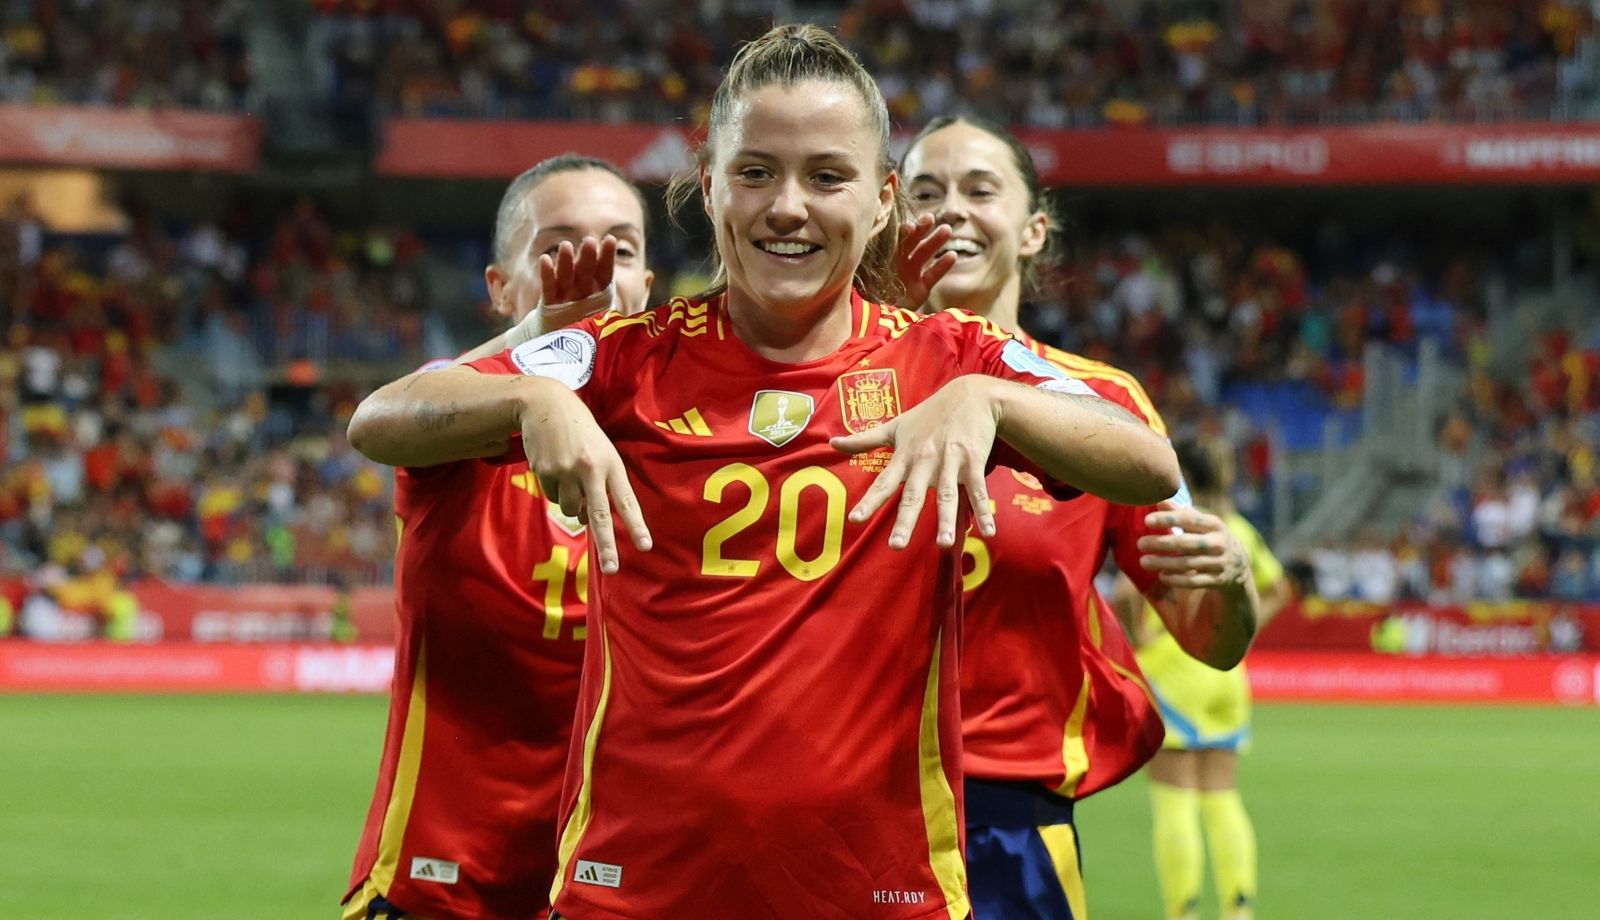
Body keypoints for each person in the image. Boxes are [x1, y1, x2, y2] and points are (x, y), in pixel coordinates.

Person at [347, 24, 1180, 919]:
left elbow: (1146, 461)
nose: (787, 206)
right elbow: (381, 419)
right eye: (755, 172)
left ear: (882, 202)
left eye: (827, 177)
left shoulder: (947, 356)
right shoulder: (627, 354)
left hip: (878, 897)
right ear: (708, 188)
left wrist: (991, 401)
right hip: (631, 894)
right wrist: (529, 398)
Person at [899, 116, 1262, 920]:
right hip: (843, 807)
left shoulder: (1104, 412)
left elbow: (1210, 638)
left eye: (979, 189)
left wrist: (1231, 578)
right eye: (926, 191)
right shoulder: (830, 383)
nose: (951, 208)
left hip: (1010, 830)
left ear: (1034, 230)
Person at [342, 154, 654, 920]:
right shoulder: (459, 426)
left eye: (620, 249)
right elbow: (375, 421)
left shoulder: (685, 445)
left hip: (608, 892)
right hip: (439, 890)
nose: (595, 274)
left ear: (648, 285)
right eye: (558, 249)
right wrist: (535, 363)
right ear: (501, 289)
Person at [1117, 441, 1293, 920]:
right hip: (1227, 675)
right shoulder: (1237, 529)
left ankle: (1184, 910)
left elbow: (1126, 591)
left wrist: (1143, 635)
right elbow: (1278, 589)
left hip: (1175, 670)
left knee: (1174, 800)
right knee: (1222, 797)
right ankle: (1239, 907)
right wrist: (1239, 630)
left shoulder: (1172, 525)